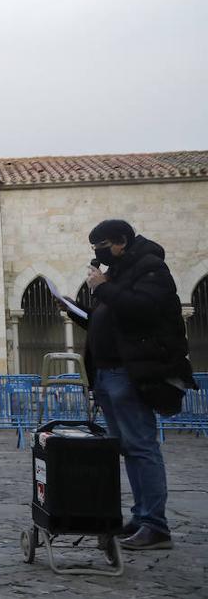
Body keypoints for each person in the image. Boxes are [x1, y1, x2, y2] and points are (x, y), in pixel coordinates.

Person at [75, 219, 197, 550]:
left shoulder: (150, 267)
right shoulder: (120, 272)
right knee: (128, 448)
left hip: (129, 373)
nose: (99, 255)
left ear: (122, 241)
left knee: (142, 447)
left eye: (102, 247)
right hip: (109, 372)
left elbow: (143, 310)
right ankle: (141, 516)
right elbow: (114, 317)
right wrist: (79, 311)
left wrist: (102, 287)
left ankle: (156, 525)